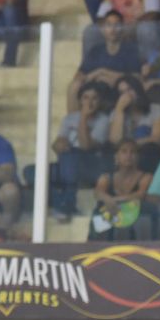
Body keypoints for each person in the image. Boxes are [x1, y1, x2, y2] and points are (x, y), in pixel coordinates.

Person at [48, 82, 112, 222]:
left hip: (91, 164)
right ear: (80, 100)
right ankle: (61, 203)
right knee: (34, 172)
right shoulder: (69, 118)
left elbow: (86, 146)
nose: (89, 102)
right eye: (85, 97)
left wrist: (83, 117)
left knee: (72, 155)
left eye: (94, 98)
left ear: (100, 101)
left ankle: (66, 206)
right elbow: (57, 144)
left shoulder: (104, 120)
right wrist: (60, 145)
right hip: (67, 162)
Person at [68, 10, 141, 113]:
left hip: (119, 91)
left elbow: (137, 78)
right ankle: (73, 121)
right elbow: (79, 75)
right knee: (75, 86)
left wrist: (103, 72)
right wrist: (92, 76)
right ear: (103, 30)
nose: (112, 29)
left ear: (123, 29)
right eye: (109, 25)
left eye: (117, 25)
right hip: (95, 91)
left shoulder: (130, 50)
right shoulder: (95, 50)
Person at [88, 140, 153, 242]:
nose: (128, 155)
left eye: (133, 152)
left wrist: (115, 201)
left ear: (138, 157)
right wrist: (108, 199)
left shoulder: (146, 176)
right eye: (124, 151)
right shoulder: (106, 177)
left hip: (135, 217)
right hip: (112, 215)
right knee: (99, 212)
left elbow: (141, 194)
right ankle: (96, 247)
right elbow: (98, 193)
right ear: (116, 156)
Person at [109, 74, 160, 173]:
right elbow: (115, 141)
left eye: (129, 89)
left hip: (148, 154)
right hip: (123, 155)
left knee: (150, 147)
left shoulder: (156, 109)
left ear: (138, 90)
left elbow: (158, 139)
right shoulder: (116, 112)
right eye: (122, 93)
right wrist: (119, 110)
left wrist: (130, 146)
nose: (127, 95)